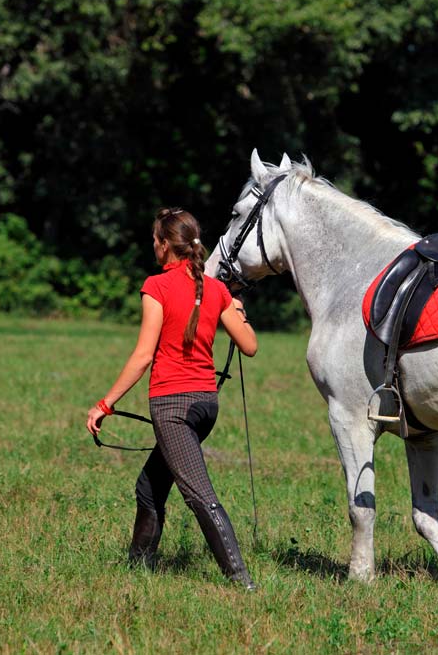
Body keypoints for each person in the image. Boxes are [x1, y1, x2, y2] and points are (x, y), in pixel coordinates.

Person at [86, 207, 258, 590]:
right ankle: (137, 572)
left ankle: (242, 582)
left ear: (166, 245)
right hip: (205, 406)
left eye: (154, 240)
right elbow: (249, 346)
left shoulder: (157, 286)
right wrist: (239, 312)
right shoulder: (216, 289)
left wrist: (105, 403)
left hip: (173, 406)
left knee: (199, 493)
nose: (153, 246)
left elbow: (143, 356)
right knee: (149, 487)